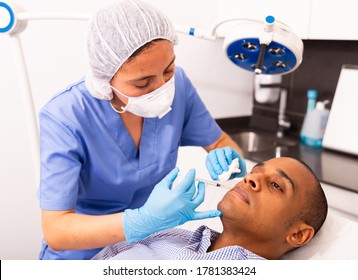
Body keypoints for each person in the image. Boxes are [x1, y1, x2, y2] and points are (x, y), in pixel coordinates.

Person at [38, 0, 247, 260]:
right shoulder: (64, 116)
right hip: (81, 256)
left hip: (148, 251)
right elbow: (56, 230)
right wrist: (140, 221)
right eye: (143, 83)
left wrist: (230, 160)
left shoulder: (179, 85)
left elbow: (218, 142)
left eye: (168, 69)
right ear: (106, 80)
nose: (161, 87)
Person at [92, 157, 328, 260]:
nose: (249, 179)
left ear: (298, 234)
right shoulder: (169, 235)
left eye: (276, 185)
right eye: (254, 171)